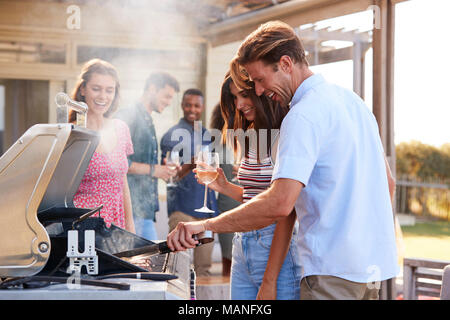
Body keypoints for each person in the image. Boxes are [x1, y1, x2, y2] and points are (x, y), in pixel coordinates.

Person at [167, 20, 399, 300]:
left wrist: (204, 225)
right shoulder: (354, 103)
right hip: (370, 269)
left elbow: (279, 203)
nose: (260, 91)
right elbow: (387, 184)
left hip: (331, 271)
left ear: (286, 64)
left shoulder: (302, 115)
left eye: (260, 80)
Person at [196, 74, 301, 300]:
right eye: (234, 98)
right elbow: (258, 198)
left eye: (244, 95)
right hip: (242, 244)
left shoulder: (285, 134)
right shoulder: (252, 134)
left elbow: (284, 209)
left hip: (274, 249)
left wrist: (269, 280)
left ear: (260, 91)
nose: (239, 104)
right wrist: (224, 187)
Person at [70, 58, 135, 232]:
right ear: (83, 89)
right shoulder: (72, 134)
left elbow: (123, 183)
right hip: (83, 227)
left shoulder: (121, 129)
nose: (103, 97)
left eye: (109, 90)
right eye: (96, 89)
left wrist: (130, 229)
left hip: (116, 225)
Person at [160, 88, 218, 277]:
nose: (192, 109)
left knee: (204, 271)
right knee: (178, 269)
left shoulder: (207, 134)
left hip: (207, 210)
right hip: (182, 209)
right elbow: (170, 176)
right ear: (182, 106)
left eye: (196, 105)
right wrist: (191, 162)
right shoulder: (171, 136)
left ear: (202, 107)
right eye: (188, 104)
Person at [115, 72, 179, 240]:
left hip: (145, 212)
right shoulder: (128, 116)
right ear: (152, 89)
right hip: (130, 211)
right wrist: (154, 170)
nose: (168, 102)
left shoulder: (148, 119)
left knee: (147, 264)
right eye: (166, 96)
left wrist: (163, 170)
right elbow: (116, 161)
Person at [209, 103, 238, 278]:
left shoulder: (251, 139)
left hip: (248, 205)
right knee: (229, 262)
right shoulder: (217, 143)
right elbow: (210, 175)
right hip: (226, 208)